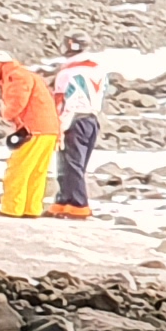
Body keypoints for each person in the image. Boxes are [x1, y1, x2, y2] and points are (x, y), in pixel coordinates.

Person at [0, 56, 59, 219]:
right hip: (49, 129)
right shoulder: (28, 74)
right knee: (36, 171)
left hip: (32, 128)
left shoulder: (15, 76)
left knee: (18, 168)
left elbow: (18, 101)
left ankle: (12, 208)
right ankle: (31, 208)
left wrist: (7, 114)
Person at [46, 41, 107, 216]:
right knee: (79, 164)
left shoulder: (67, 73)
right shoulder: (99, 70)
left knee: (69, 163)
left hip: (73, 119)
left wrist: (59, 126)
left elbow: (62, 101)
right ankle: (65, 201)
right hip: (92, 119)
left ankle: (78, 205)